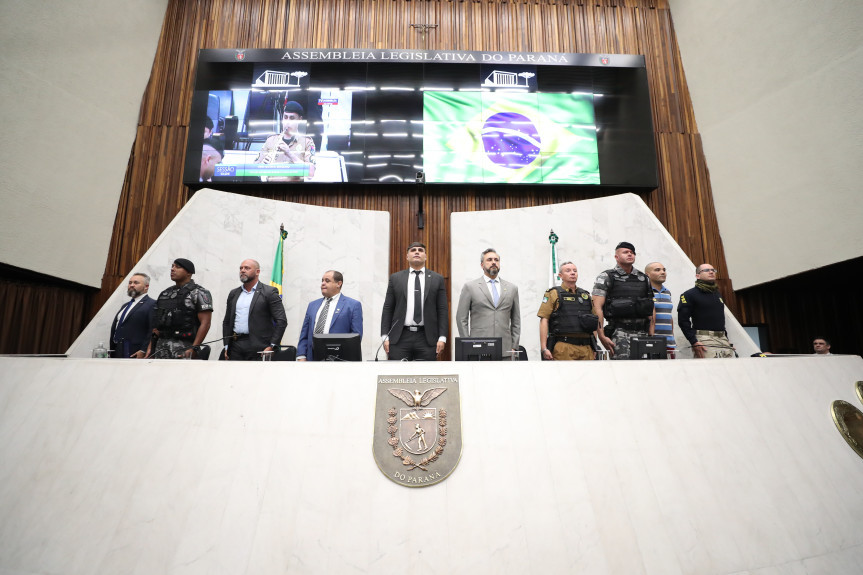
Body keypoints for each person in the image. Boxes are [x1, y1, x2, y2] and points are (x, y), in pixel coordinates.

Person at [381, 242, 448, 361]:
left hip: (427, 338)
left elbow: (442, 310)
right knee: (397, 376)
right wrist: (385, 336)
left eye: (421, 250)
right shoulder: (396, 278)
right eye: (413, 250)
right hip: (400, 337)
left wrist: (442, 337)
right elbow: (388, 308)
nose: (417, 252)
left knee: (427, 376)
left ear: (426, 256)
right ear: (407, 256)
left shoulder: (437, 279)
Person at [592, 242, 656, 359]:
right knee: (623, 371)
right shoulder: (607, 276)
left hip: (643, 332)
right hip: (619, 332)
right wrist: (601, 336)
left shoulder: (643, 278)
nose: (630, 254)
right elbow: (597, 307)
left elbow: (650, 306)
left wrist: (651, 332)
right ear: (616, 257)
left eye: (632, 252)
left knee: (646, 371)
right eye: (625, 252)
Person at [455, 248, 521, 358]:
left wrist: (514, 346)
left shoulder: (511, 288)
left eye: (496, 260)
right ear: (482, 265)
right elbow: (461, 318)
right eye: (489, 260)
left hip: (505, 350)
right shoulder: (470, 287)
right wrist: (467, 344)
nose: (493, 262)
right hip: (478, 348)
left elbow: (516, 320)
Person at [221, 259, 288, 360]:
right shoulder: (234, 293)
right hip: (235, 346)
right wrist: (227, 345)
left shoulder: (269, 292)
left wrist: (272, 345)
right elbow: (227, 321)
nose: (243, 270)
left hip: (260, 347)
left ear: (257, 272)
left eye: (247, 268)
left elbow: (281, 321)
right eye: (241, 268)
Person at [146, 258, 213, 359]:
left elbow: (205, 323)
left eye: (177, 267)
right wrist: (151, 347)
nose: (172, 269)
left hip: (184, 347)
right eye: (172, 266)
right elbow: (157, 325)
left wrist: (194, 348)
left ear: (189, 273)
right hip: (160, 348)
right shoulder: (165, 294)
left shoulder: (199, 292)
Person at [296, 270, 363, 361]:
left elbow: (356, 337)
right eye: (322, 280)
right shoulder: (312, 305)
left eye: (327, 281)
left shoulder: (352, 305)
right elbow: (304, 334)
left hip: (340, 361)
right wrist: (301, 356)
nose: (323, 283)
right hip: (312, 360)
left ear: (338, 284)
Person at [538, 261, 599, 360]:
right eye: (568, 270)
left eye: (575, 270)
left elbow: (594, 322)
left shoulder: (585, 295)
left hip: (586, 348)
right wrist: (544, 348)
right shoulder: (553, 294)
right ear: (560, 275)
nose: (572, 273)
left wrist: (594, 346)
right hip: (564, 347)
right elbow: (544, 320)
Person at [677, 263, 734, 358]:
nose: (711, 272)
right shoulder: (689, 294)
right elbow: (683, 321)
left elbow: (719, 319)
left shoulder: (717, 294)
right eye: (707, 270)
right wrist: (694, 341)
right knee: (710, 370)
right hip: (705, 339)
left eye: (713, 270)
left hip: (722, 338)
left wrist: (726, 340)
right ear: (697, 275)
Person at [254, 100, 316, 181]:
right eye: (285, 117)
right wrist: (262, 166)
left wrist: (290, 154)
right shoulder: (271, 140)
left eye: (292, 118)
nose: (287, 122)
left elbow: (311, 174)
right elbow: (253, 169)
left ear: (300, 119)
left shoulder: (307, 142)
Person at [109, 272, 156, 358]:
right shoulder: (125, 305)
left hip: (135, 352)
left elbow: (152, 330)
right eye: (130, 283)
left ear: (146, 286)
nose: (132, 285)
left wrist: (144, 350)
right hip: (117, 350)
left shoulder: (152, 304)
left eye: (136, 283)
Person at [645, 261, 676, 358]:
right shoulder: (645, 292)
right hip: (653, 342)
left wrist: (672, 337)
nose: (662, 272)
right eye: (657, 270)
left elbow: (669, 317)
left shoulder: (667, 292)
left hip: (669, 343)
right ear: (647, 275)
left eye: (664, 270)